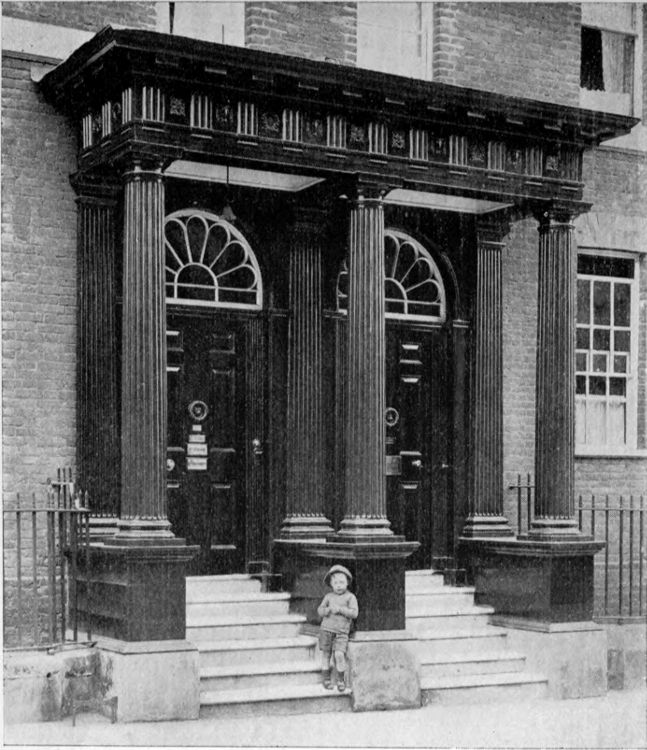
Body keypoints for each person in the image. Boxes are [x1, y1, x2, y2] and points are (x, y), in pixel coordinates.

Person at [317, 564, 358, 691]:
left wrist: (340, 609)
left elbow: (354, 613)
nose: (339, 585)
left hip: (341, 633)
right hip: (326, 630)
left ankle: (341, 680)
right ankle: (326, 678)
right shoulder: (328, 597)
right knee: (326, 654)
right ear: (331, 584)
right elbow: (320, 610)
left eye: (341, 582)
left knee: (339, 654)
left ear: (347, 583)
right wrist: (327, 610)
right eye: (335, 583)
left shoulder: (350, 597)